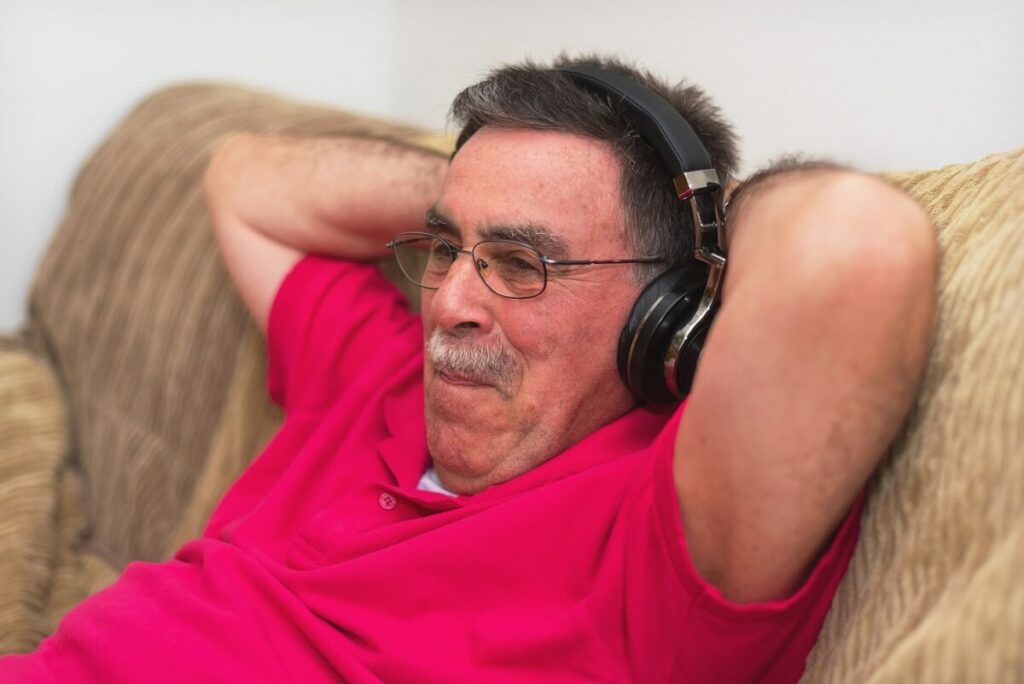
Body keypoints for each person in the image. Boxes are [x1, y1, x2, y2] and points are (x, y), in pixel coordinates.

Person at [0, 55, 936, 683]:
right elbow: (243, 177)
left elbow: (852, 247)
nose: (448, 303)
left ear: (667, 317)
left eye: (524, 265)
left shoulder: (659, 533)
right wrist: (483, 198)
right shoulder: (380, 369)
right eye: (446, 249)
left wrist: (694, 216)